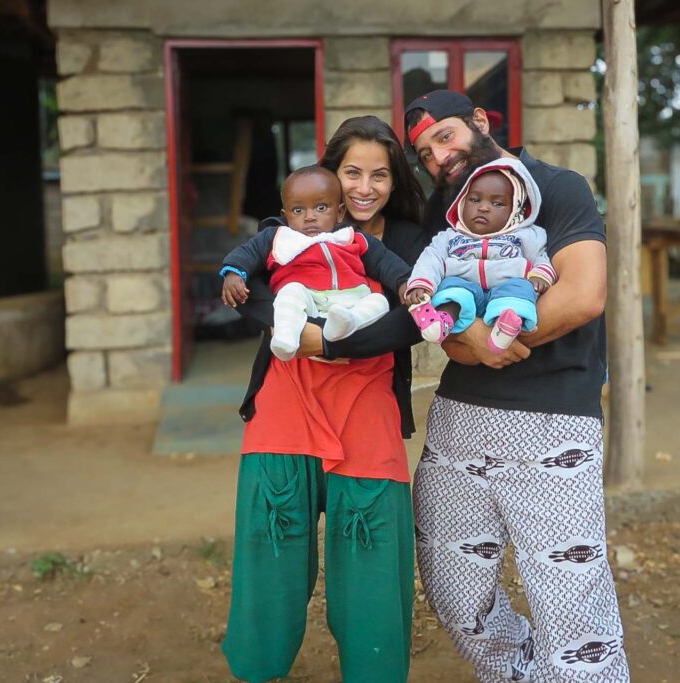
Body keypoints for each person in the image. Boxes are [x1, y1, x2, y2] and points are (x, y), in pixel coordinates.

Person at [406, 90, 630, 682]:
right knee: (455, 595)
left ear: (480, 122)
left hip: (554, 415)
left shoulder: (558, 187)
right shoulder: (446, 213)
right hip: (459, 418)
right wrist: (466, 340)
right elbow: (440, 321)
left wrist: (494, 341)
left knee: (570, 605)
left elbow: (583, 293)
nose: (439, 157)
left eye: (446, 136)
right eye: (426, 152)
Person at [220, 116, 428, 683]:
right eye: (352, 172)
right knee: (270, 551)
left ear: (394, 181)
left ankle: (374, 671)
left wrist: (330, 346)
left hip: (366, 407)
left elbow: (415, 320)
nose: (364, 187)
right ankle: (258, 669)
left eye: (379, 175)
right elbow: (249, 292)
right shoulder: (286, 231)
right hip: (286, 403)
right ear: (330, 177)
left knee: (371, 562)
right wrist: (297, 329)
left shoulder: (407, 241)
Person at [220, 166, 407, 361]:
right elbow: (248, 252)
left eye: (321, 208)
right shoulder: (278, 237)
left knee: (379, 301)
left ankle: (347, 323)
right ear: (286, 215)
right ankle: (286, 337)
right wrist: (235, 273)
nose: (309, 216)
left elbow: (385, 261)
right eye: (298, 210)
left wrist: (403, 281)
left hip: (350, 300)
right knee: (289, 292)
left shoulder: (351, 237)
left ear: (340, 212)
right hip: (307, 301)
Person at [403, 157, 556, 353]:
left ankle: (506, 326)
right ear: (461, 203)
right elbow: (430, 259)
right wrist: (421, 284)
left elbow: (541, 257)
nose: (483, 207)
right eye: (475, 199)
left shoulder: (526, 235)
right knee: (451, 289)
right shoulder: (449, 237)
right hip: (465, 287)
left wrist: (540, 276)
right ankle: (440, 322)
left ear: (515, 210)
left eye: (497, 203)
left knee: (521, 288)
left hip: (506, 286)